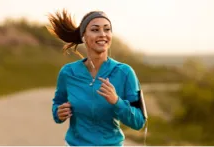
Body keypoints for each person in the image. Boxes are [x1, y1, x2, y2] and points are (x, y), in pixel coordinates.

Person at [47, 9, 146, 146]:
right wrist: (58, 113)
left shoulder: (124, 73)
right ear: (83, 37)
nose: (102, 34)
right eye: (95, 30)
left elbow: (139, 122)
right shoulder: (68, 73)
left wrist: (117, 101)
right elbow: (57, 105)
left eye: (107, 29)